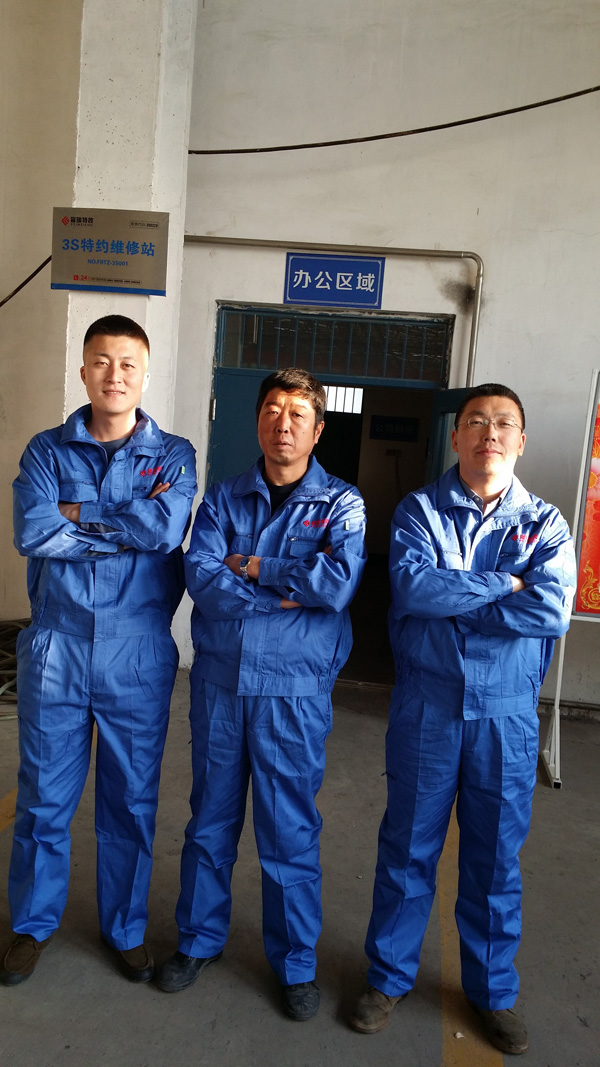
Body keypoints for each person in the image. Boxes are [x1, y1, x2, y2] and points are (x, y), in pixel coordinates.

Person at [349, 384, 576, 1055]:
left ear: (521, 440)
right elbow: (415, 588)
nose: (489, 433)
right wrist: (507, 584)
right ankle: (388, 978)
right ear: (456, 436)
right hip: (429, 707)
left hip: (506, 716)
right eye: (476, 421)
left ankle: (492, 991)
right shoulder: (420, 510)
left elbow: (551, 610)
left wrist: (460, 598)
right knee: (407, 849)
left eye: (503, 423)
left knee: (495, 858)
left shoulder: (546, 523)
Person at [157, 368, 367, 1021]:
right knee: (210, 820)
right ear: (257, 421)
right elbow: (201, 575)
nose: (283, 423)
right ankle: (198, 939)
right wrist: (283, 594)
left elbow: (335, 584)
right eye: (272, 409)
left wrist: (252, 566)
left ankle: (295, 963)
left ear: (318, 429)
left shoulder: (342, 504)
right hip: (222, 684)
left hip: (293, 691)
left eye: (298, 413)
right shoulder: (223, 499)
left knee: (289, 829)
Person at [1, 315, 197, 988]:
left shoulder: (174, 455)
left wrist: (76, 517)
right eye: (102, 362)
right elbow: (33, 530)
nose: (115, 375)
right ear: (83, 370)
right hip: (56, 646)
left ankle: (125, 928)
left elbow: (164, 530)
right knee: (42, 799)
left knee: (130, 801)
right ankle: (31, 924)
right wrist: (123, 525)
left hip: (136, 652)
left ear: (144, 374)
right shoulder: (46, 451)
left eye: (128, 364)